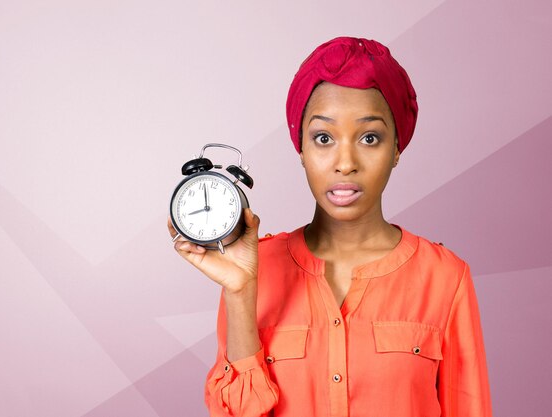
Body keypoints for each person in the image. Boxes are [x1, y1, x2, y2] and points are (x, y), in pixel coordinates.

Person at [167, 36, 492, 417]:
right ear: (301, 149)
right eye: (323, 138)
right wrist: (240, 293)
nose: (345, 163)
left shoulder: (445, 278)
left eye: (370, 138)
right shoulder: (254, 271)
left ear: (397, 149)